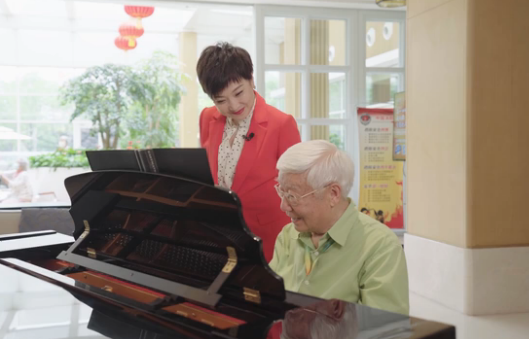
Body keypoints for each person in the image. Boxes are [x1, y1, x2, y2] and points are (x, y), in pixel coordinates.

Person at [269, 140, 409, 315]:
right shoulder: (288, 235)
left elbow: (385, 329)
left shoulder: (379, 246)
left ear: (333, 194)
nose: (284, 206)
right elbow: (268, 302)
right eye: (281, 192)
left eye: (292, 196)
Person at [197, 42, 301, 262]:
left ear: (251, 79)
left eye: (238, 92)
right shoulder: (207, 118)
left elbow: (298, 188)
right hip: (221, 234)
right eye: (221, 100)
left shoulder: (281, 124)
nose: (233, 106)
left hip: (269, 237)